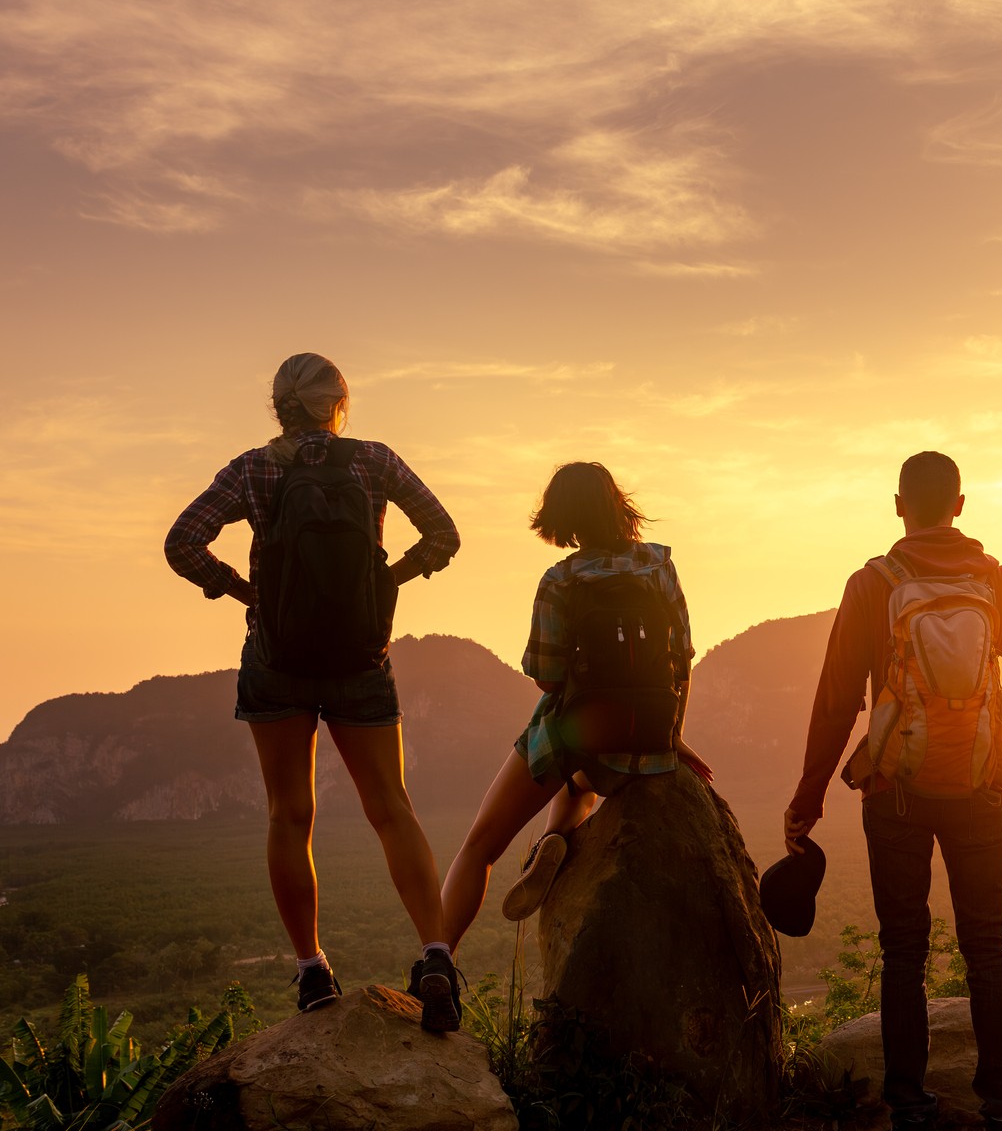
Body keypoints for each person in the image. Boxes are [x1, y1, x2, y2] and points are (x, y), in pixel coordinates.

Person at [784, 451, 1002, 1131]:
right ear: (961, 505)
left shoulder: (874, 584)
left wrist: (806, 801)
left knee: (905, 951)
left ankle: (911, 1117)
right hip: (980, 787)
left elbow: (837, 703)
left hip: (896, 790)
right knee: (987, 947)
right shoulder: (995, 582)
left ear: (899, 505)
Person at [164, 352, 464, 1031]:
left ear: (279, 405)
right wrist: (392, 581)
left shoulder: (253, 468)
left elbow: (182, 541)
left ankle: (312, 972)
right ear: (339, 403)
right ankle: (437, 955)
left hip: (276, 659)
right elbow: (444, 535)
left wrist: (242, 590)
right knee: (392, 808)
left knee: (288, 815)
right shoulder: (377, 461)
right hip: (362, 659)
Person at [439, 462, 713, 963]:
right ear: (618, 504)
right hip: (649, 735)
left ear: (561, 518)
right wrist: (672, 732)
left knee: (480, 845)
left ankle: (434, 960)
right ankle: (556, 834)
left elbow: (546, 674)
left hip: (584, 734)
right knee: (582, 779)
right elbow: (683, 658)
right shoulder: (659, 566)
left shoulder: (561, 579)